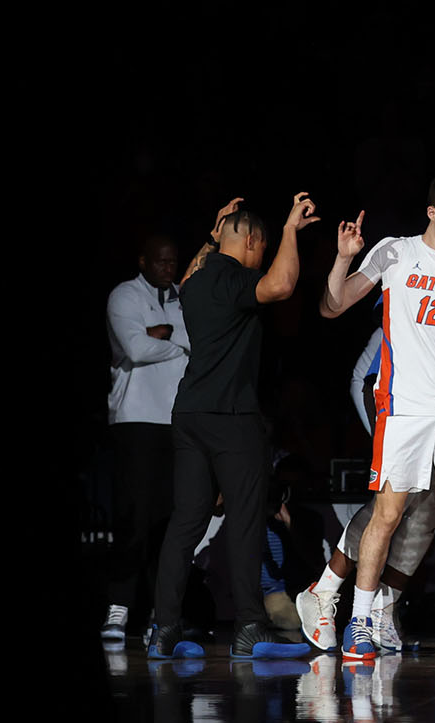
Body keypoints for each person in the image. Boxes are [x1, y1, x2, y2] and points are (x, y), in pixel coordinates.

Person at [319, 176, 435, 663]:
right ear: (431, 213)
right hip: (404, 407)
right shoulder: (394, 252)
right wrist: (343, 258)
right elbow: (333, 306)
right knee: (387, 514)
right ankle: (359, 621)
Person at [148, 195, 320, 660]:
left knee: (186, 522)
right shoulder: (238, 279)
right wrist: (289, 230)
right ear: (251, 240)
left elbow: (185, 278)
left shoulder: (198, 281)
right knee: (245, 521)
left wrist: (211, 233)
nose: (262, 256)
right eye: (261, 246)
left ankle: (162, 629)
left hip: (189, 415)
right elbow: (282, 285)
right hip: (231, 418)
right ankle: (249, 626)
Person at [103, 234, 188, 642]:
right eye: (160, 261)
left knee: (170, 523)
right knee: (133, 519)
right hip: (135, 419)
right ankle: (118, 608)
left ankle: (162, 612)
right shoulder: (124, 296)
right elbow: (135, 348)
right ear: (143, 260)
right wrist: (177, 342)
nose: (167, 268)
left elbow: (197, 344)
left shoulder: (183, 298)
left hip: (176, 420)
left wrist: (165, 334)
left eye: (173, 261)